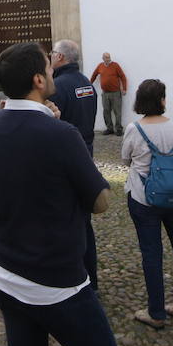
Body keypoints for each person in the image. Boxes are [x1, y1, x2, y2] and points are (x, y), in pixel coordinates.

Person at [0, 42, 130, 346]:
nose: (52, 74)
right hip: (56, 280)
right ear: (37, 80)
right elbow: (101, 202)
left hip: (7, 272)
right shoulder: (62, 136)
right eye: (48, 69)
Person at [121, 79, 173, 329]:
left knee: (152, 254)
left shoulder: (135, 128)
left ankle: (156, 311)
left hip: (144, 197)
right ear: (162, 100)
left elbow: (126, 158)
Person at [51, 40, 101, 291]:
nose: (50, 57)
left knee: (66, 220)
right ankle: (90, 277)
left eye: (52, 53)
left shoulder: (58, 86)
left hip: (65, 159)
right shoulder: (87, 84)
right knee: (83, 222)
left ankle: (73, 279)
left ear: (59, 57)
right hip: (86, 152)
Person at [90, 52, 129, 136]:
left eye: (109, 57)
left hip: (116, 93)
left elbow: (123, 77)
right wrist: (89, 84)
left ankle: (119, 129)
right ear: (103, 58)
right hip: (105, 93)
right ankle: (109, 128)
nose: (108, 59)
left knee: (117, 112)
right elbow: (94, 75)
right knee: (106, 111)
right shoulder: (100, 66)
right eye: (106, 57)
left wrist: (124, 88)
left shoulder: (115, 65)